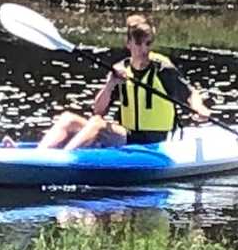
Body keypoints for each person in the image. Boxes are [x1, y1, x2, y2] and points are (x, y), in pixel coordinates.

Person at [33, 14, 212, 150]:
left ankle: (63, 160)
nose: (144, 49)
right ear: (128, 43)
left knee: (97, 124)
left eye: (148, 43)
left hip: (152, 140)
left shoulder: (162, 68)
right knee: (68, 119)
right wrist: (111, 83)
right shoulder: (119, 70)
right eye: (139, 43)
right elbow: (99, 110)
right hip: (128, 134)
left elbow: (190, 94)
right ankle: (39, 156)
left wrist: (200, 108)